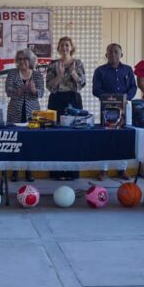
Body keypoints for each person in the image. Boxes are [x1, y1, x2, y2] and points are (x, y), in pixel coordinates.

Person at [92, 42, 137, 181]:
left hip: (124, 109)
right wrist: (107, 99)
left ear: (121, 54)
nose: (113, 54)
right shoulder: (100, 71)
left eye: (116, 52)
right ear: (106, 55)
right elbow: (96, 89)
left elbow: (133, 88)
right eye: (110, 52)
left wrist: (125, 99)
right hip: (107, 109)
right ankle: (103, 170)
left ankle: (122, 169)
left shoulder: (128, 70)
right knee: (105, 139)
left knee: (122, 139)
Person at [46, 36, 86, 180]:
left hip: (73, 100)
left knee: (73, 136)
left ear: (71, 47)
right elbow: (50, 86)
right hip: (56, 100)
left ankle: (72, 173)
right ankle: (56, 172)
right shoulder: (53, 64)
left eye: (67, 45)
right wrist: (60, 75)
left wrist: (74, 73)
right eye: (62, 45)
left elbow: (82, 84)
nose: (64, 48)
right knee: (55, 135)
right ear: (58, 48)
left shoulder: (78, 63)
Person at [5, 48, 44, 183]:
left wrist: (33, 90)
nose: (22, 61)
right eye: (20, 59)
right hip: (14, 112)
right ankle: (15, 171)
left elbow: (41, 93)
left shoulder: (37, 75)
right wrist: (21, 90)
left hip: (32, 112)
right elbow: (8, 92)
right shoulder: (12, 74)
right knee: (15, 141)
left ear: (31, 60)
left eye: (25, 59)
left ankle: (29, 171)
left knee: (30, 142)